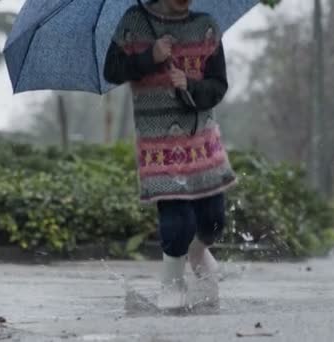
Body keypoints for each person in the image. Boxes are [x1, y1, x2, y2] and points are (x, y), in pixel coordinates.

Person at [103, 0, 237, 310]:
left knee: (214, 220)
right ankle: (172, 284)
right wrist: (150, 56)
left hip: (202, 142)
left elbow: (218, 86)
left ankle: (198, 253)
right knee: (178, 221)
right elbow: (112, 71)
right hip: (160, 145)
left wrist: (190, 84)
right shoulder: (134, 22)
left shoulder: (206, 26)